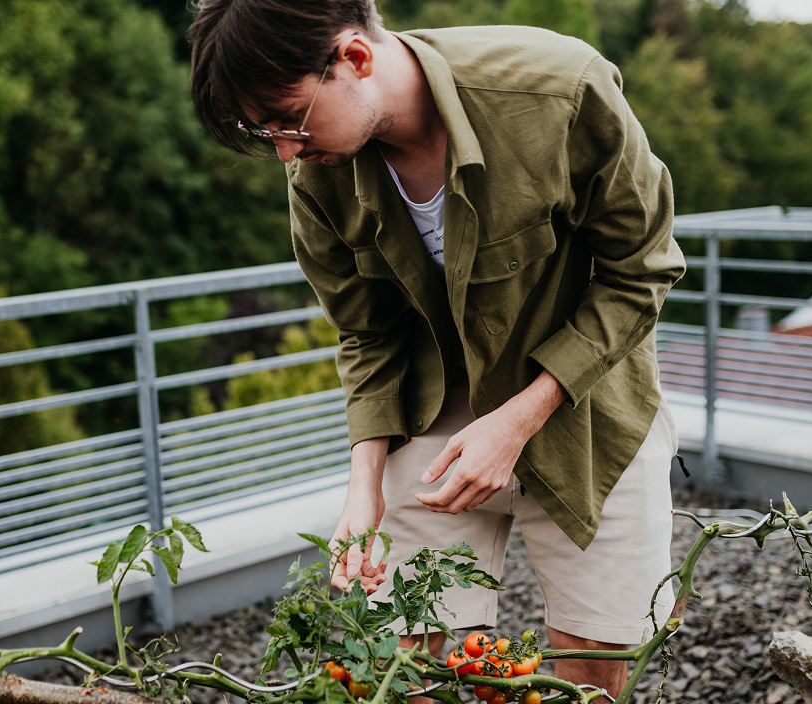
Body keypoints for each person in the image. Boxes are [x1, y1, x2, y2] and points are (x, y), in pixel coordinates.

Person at [188, 0, 686, 695]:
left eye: (287, 116)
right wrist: (362, 491)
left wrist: (515, 421)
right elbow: (367, 333)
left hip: (587, 412)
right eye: (260, 130)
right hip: (428, 416)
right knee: (405, 668)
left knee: (597, 672)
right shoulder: (316, 167)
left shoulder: (559, 89)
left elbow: (643, 272)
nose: (284, 151)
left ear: (353, 59)